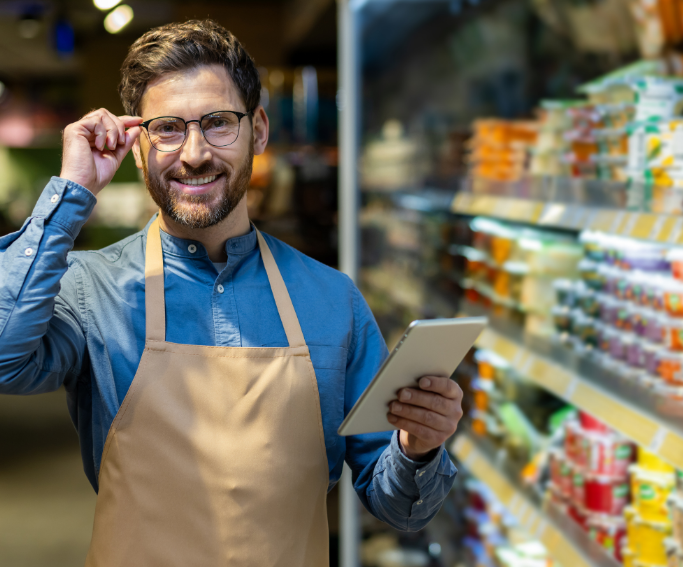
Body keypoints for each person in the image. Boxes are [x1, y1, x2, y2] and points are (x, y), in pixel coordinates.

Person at [0, 19, 461, 566]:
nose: (194, 153)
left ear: (259, 130)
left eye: (218, 123)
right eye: (167, 128)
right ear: (140, 146)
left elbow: (400, 508)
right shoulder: (91, 288)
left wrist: (418, 447)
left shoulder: (332, 301)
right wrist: (72, 192)